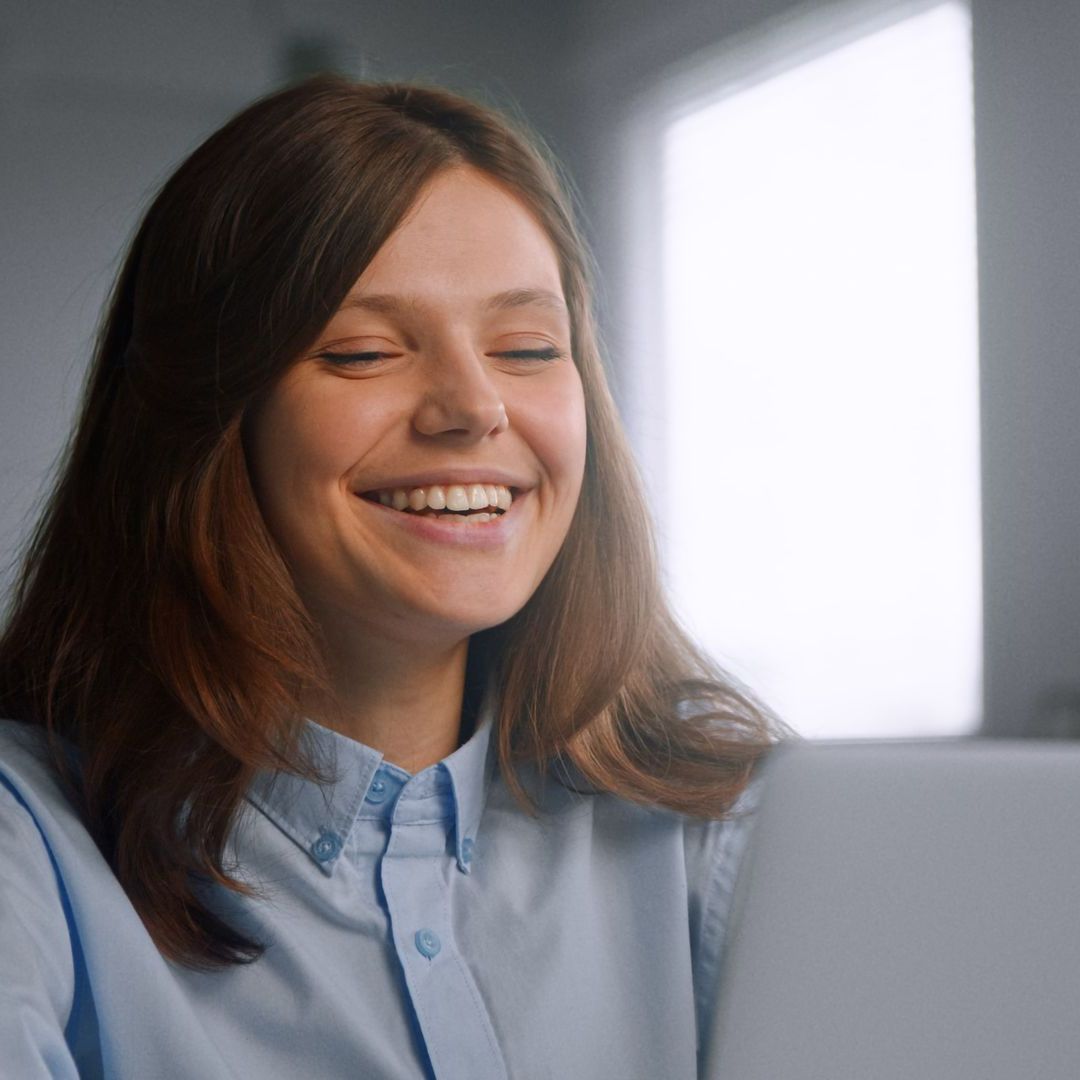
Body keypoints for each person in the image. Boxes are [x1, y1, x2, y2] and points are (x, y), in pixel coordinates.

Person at [0, 75, 785, 1079]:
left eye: (528, 347)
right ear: (204, 420)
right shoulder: (29, 843)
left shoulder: (729, 834)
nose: (473, 407)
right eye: (365, 352)